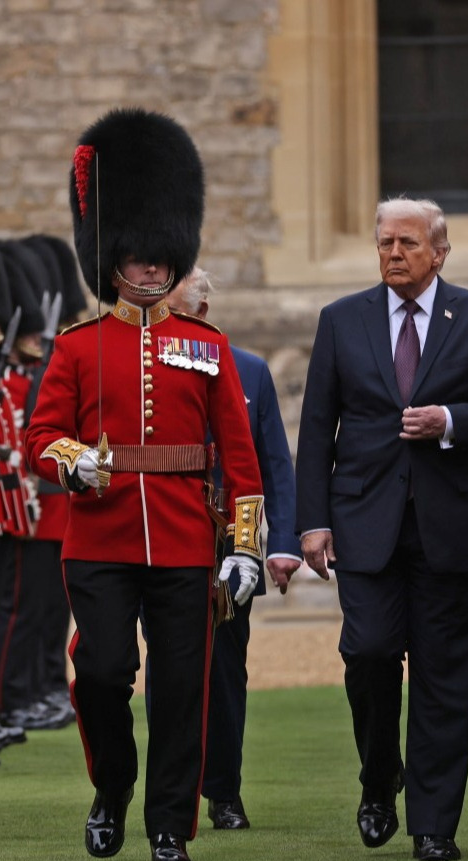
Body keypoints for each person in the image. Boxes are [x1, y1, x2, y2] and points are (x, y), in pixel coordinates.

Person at [25, 107, 263, 861]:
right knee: (100, 672)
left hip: (187, 538)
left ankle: (169, 824)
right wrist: (74, 460)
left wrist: (246, 547)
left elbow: (239, 457)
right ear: (113, 255)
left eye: (162, 255)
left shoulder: (207, 348)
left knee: (181, 687)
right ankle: (112, 788)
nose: (151, 267)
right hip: (100, 535)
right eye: (136, 253)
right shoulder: (77, 346)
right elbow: (38, 436)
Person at [294, 198, 468, 861]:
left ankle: (434, 823)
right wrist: (311, 521)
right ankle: (380, 778)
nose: (393, 253)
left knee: (443, 676)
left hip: (449, 524)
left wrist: (452, 422)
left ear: (440, 251)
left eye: (406, 242)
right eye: (383, 243)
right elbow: (317, 428)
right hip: (365, 522)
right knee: (368, 652)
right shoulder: (342, 321)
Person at [164, 267, 300, 830]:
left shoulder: (248, 370)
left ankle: (223, 789)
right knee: (172, 667)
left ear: (199, 314)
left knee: (224, 670)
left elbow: (275, 465)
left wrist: (282, 542)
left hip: (228, 535)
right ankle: (171, 791)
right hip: (168, 529)